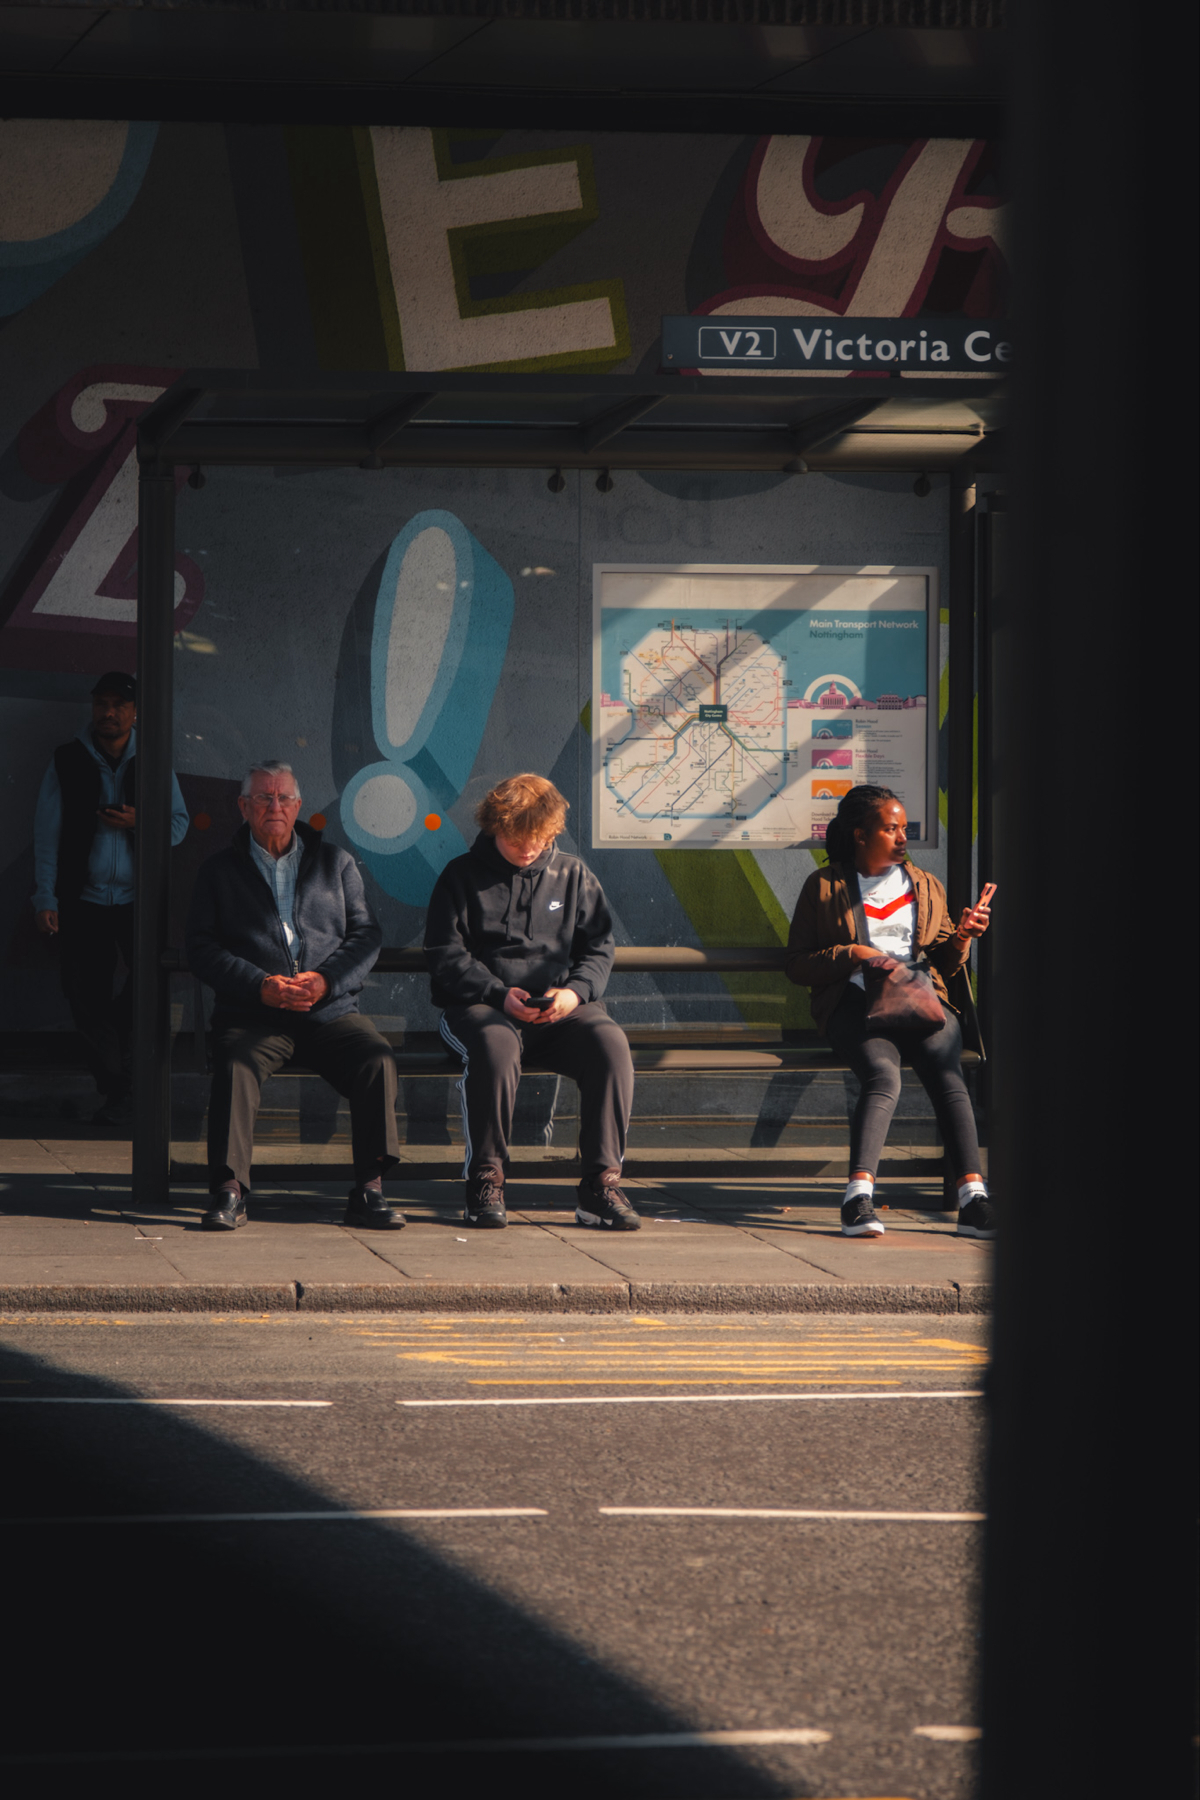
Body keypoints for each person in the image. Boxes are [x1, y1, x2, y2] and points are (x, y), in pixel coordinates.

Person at [186, 760, 404, 1232]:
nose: (275, 806)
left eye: (284, 797)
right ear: (243, 807)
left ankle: (370, 1190)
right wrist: (259, 986)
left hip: (328, 1011)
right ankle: (229, 1192)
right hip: (254, 1013)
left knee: (376, 1060)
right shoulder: (218, 871)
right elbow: (201, 948)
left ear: (299, 805)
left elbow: (365, 935)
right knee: (235, 1066)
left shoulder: (335, 863)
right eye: (263, 798)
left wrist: (326, 981)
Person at [424, 773, 639, 1232]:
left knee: (610, 1045)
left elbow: (599, 947)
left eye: (540, 839)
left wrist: (574, 993)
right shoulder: (461, 876)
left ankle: (600, 1185)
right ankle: (487, 1180)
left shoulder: (573, 874)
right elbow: (445, 955)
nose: (529, 849)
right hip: (481, 1007)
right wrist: (498, 994)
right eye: (518, 838)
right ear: (494, 827)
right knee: (496, 1049)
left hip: (558, 1009)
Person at [785, 784, 995, 1240]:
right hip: (855, 1005)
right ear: (860, 835)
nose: (903, 838)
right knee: (884, 1074)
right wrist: (854, 954)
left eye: (905, 828)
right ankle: (857, 1198)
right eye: (891, 828)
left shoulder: (924, 885)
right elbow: (798, 964)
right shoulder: (825, 886)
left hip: (920, 1003)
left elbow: (941, 960)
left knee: (949, 1074)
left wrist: (962, 936)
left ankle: (973, 1200)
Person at [33, 671, 189, 1127]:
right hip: (81, 899)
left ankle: (122, 1064)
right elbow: (46, 835)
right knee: (83, 996)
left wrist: (141, 820)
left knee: (146, 990)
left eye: (119, 704)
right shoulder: (67, 759)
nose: (109, 712)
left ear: (135, 712)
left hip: (139, 900)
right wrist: (45, 898)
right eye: (101, 703)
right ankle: (117, 1090)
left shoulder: (155, 757)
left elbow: (176, 827)